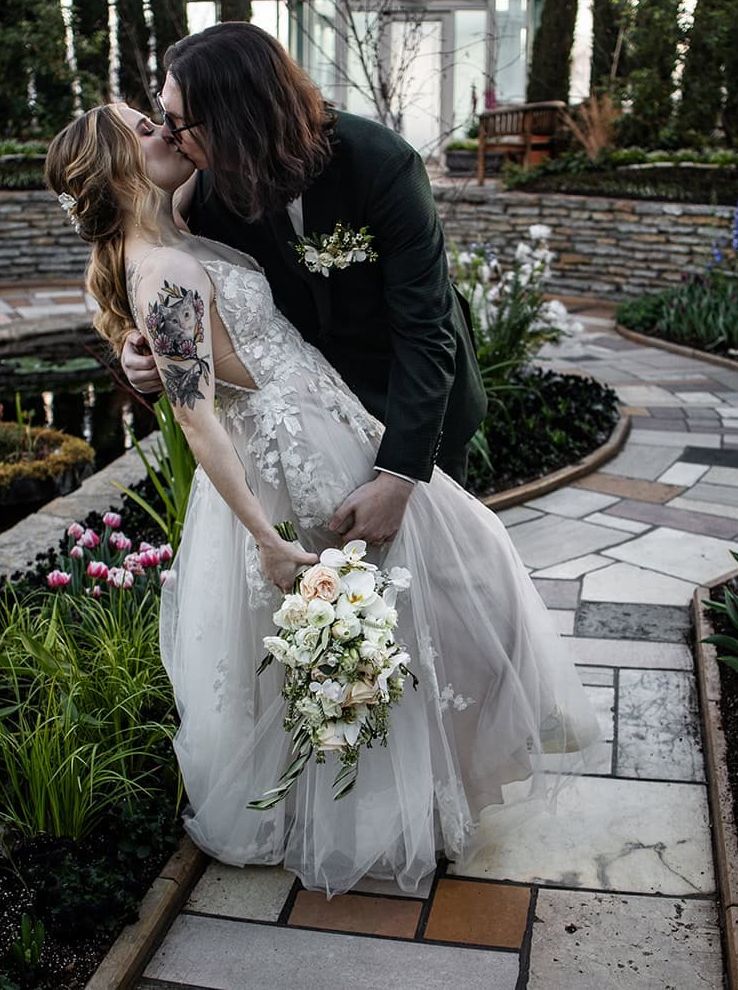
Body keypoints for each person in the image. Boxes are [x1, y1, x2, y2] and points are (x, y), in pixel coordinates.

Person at [45, 104, 600, 897]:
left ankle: (441, 781)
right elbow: (200, 424)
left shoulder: (177, 215)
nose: (165, 129)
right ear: (116, 167)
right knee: (374, 619)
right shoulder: (160, 269)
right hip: (294, 457)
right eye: (144, 127)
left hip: (335, 420)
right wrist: (266, 537)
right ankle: (382, 812)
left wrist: (137, 346)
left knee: (442, 580)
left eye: (161, 114)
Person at [119, 22, 487, 548]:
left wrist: (399, 478)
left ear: (235, 118)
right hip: (319, 430)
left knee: (443, 576)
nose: (170, 135)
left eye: (179, 123)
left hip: (412, 407)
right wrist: (140, 350)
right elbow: (172, 282)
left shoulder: (383, 166)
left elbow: (425, 332)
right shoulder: (209, 188)